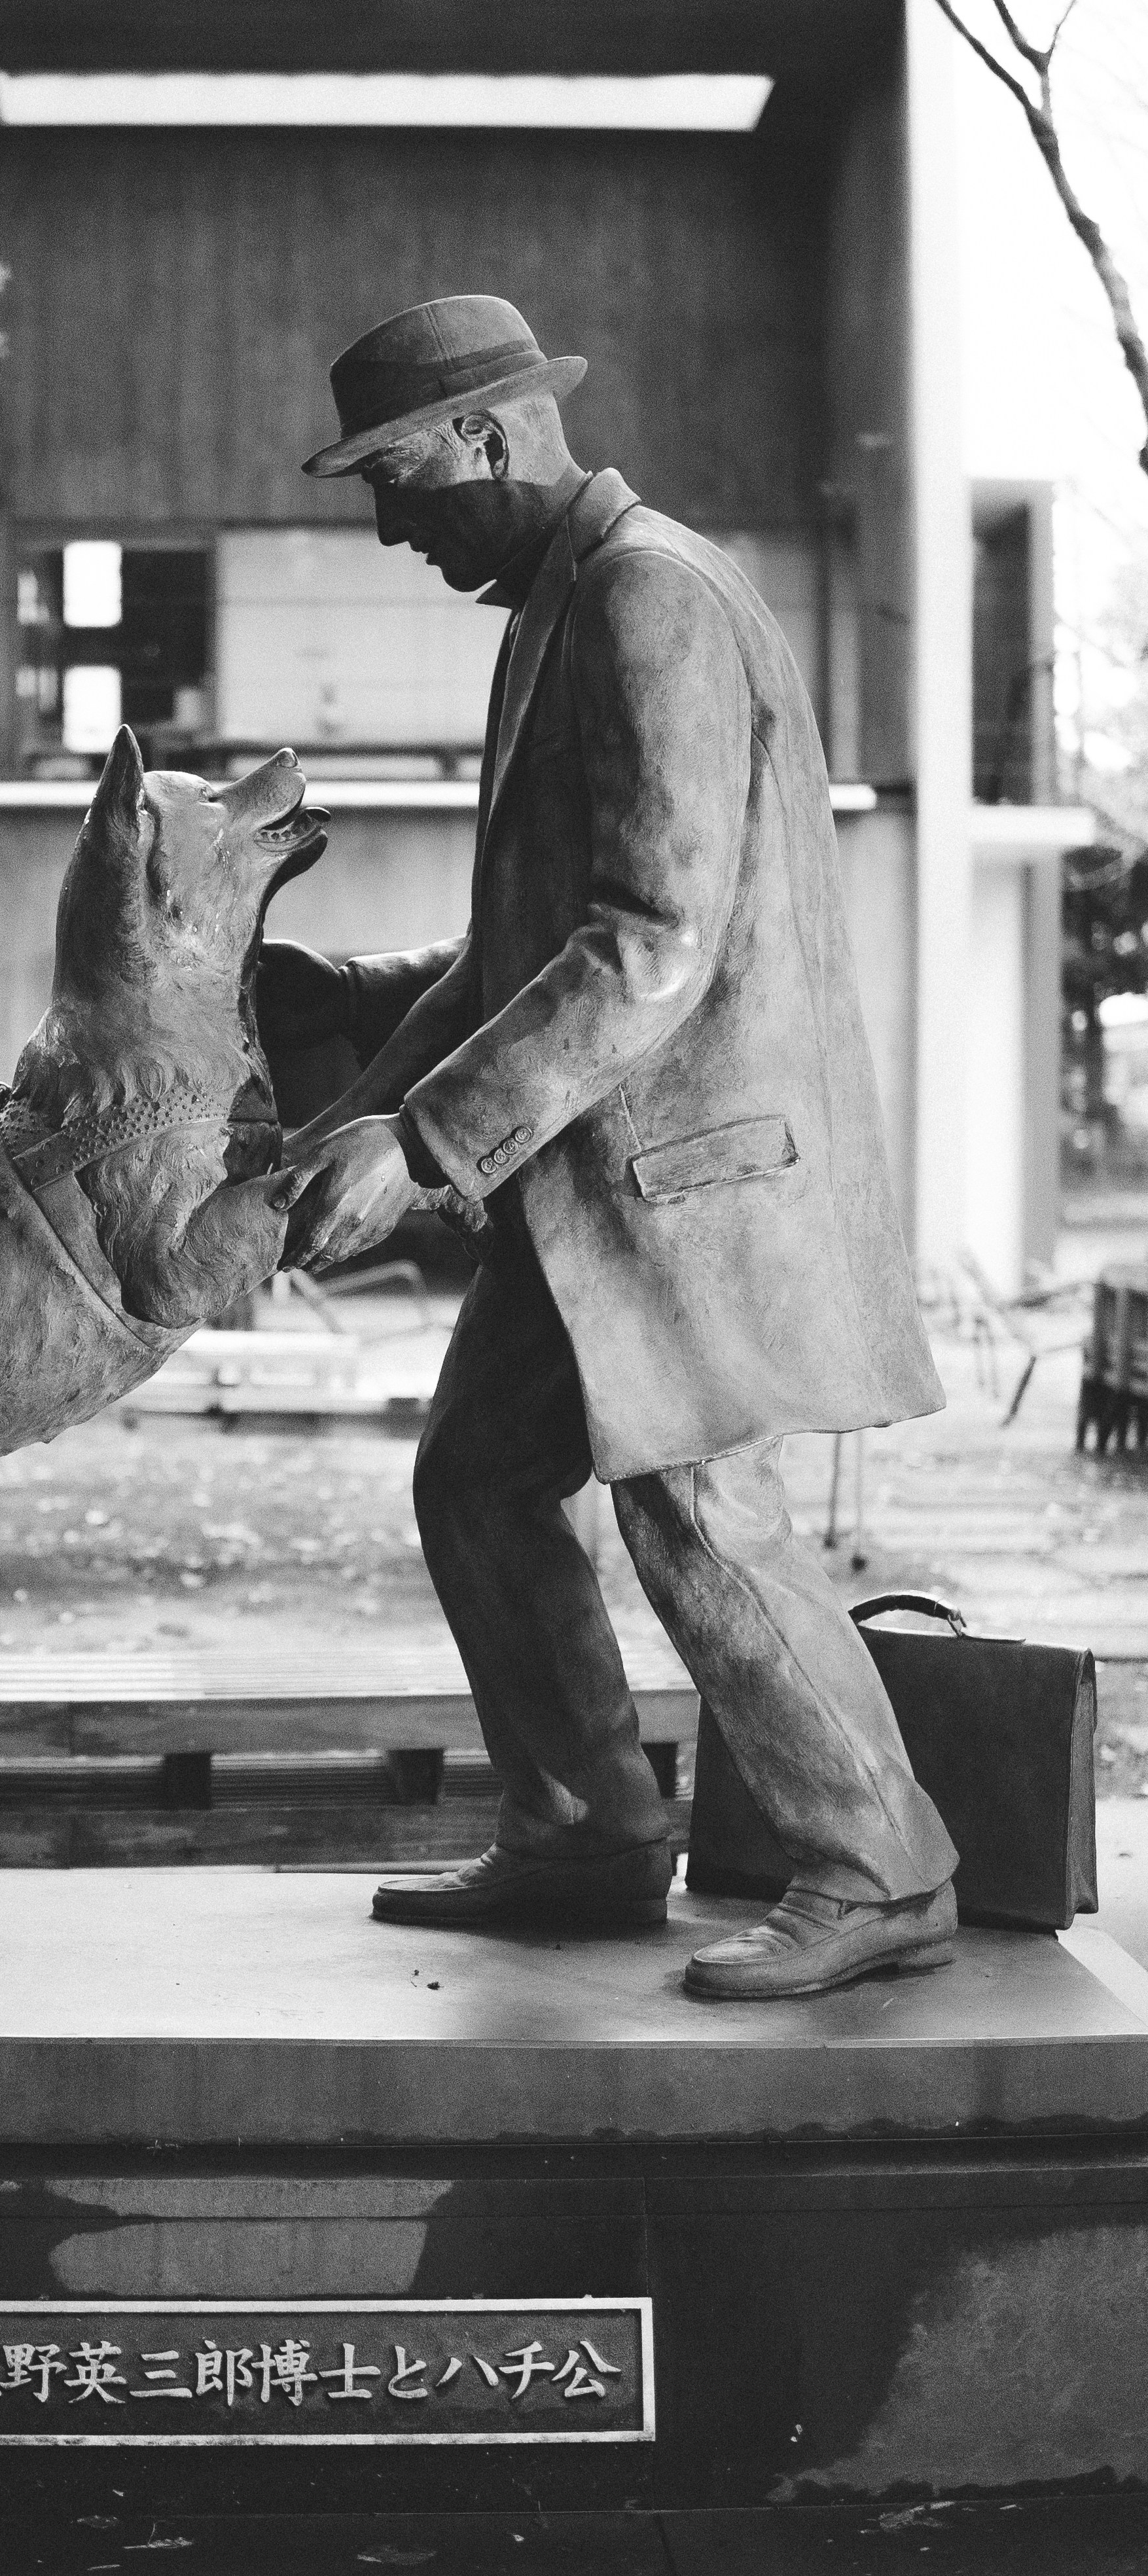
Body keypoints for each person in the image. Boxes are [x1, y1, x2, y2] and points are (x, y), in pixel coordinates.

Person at [258, 295, 959, 2001]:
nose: (387, 525)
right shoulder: (562, 601)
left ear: (493, 438)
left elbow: (648, 944)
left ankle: (884, 1871)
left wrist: (422, 1154)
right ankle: (583, 1838)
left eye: (400, 479)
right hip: (593, 1186)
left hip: (684, 1182)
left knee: (702, 1523)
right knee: (484, 1484)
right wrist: (348, 1075)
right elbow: (527, 959)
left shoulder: (652, 595)